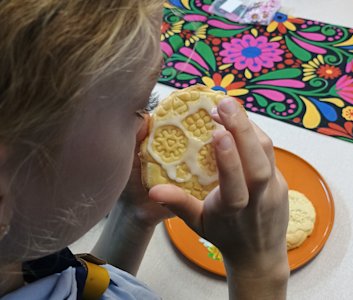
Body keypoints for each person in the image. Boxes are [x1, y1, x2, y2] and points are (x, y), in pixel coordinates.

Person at [0, 1, 290, 299]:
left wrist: (133, 216)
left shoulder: (19, 258)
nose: (146, 127)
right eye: (141, 106)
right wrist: (259, 273)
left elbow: (89, 287)